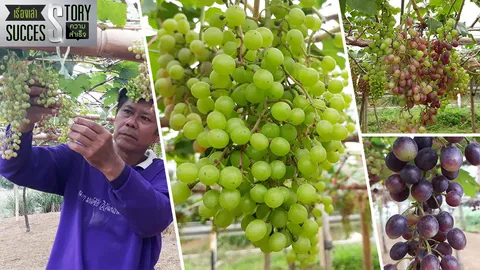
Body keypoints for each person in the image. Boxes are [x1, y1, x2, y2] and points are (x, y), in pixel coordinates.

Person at [0, 86, 173, 270]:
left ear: (157, 136)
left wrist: (112, 165)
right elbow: (15, 167)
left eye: (145, 118)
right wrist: (22, 123)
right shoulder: (79, 156)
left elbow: (153, 221)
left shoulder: (162, 174)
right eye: (127, 112)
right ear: (116, 116)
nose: (131, 122)